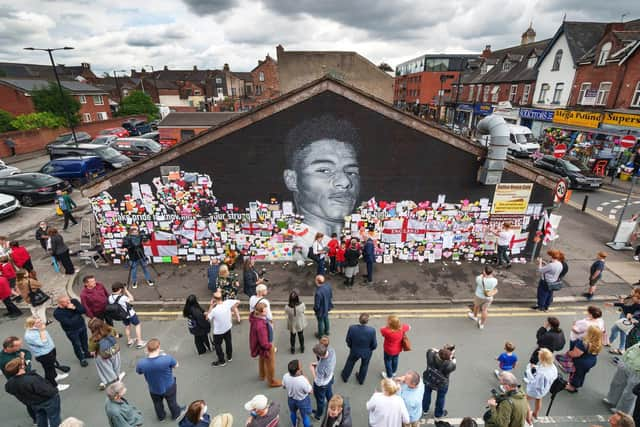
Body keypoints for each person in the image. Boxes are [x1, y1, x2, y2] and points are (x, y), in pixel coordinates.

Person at [283, 114, 360, 243]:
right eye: (324, 170)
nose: (345, 182)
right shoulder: (285, 247)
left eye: (351, 172)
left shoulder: (362, 241)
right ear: (292, 180)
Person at [135, 338, 185, 421]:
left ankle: (161, 417)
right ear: (158, 348)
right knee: (172, 401)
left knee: (157, 403)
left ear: (147, 349)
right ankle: (176, 414)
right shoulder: (167, 358)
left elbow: (139, 372)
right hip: (169, 386)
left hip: (154, 388)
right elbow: (176, 365)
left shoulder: (141, 363)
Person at [4, 357, 61, 427]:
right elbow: (46, 390)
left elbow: (9, 390)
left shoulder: (9, 383)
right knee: (54, 417)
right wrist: (55, 391)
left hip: (33, 403)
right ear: (21, 367)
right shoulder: (31, 379)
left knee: (41, 417)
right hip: (48, 401)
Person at [23, 316, 70, 391]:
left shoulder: (38, 328)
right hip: (44, 355)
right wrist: (42, 331)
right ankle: (54, 385)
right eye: (38, 322)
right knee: (48, 370)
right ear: (32, 325)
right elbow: (43, 343)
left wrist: (41, 329)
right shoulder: (29, 335)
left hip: (50, 350)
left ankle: (55, 376)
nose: (41, 323)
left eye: (40, 320)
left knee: (51, 366)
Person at [0, 337, 35, 423]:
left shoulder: (15, 351)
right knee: (29, 401)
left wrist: (26, 361)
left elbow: (27, 353)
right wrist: (24, 360)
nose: (20, 346)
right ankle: (36, 420)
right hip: (20, 383)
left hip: (27, 379)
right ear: (9, 347)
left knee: (34, 398)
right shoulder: (4, 360)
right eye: (18, 345)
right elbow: (23, 371)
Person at [249, 302, 281, 387]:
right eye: (266, 311)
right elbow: (264, 343)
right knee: (271, 365)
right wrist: (270, 346)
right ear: (261, 312)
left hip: (260, 346)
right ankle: (272, 381)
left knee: (262, 359)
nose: (267, 312)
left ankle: (262, 375)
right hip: (266, 346)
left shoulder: (256, 318)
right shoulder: (260, 326)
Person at [53, 295, 90, 367]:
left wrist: (74, 308)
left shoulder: (74, 302)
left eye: (69, 300)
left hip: (82, 326)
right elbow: (69, 323)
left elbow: (83, 310)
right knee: (77, 345)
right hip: (72, 331)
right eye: (66, 302)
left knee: (84, 341)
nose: (69, 302)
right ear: (60, 303)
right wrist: (77, 314)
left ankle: (86, 353)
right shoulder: (57, 313)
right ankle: (81, 359)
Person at [341, 312, 377, 384]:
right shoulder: (372, 330)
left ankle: (345, 377)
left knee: (350, 363)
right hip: (367, 351)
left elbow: (348, 340)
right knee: (364, 365)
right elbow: (374, 344)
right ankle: (361, 380)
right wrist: (370, 349)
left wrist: (351, 347)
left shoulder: (352, 328)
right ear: (367, 321)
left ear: (359, 319)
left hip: (355, 350)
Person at [604, 342, 640, 415]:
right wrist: (622, 360)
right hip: (627, 362)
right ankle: (611, 399)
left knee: (629, 393)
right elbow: (631, 348)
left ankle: (621, 411)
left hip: (637, 371)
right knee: (617, 383)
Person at [564, 325, 603, 393]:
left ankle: (572, 387)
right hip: (591, 361)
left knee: (576, 374)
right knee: (582, 374)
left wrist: (568, 353)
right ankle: (579, 383)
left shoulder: (583, 343)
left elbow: (576, 354)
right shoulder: (598, 343)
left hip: (581, 362)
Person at [206, 289, 239, 367]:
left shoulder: (214, 310)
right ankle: (229, 356)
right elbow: (238, 301)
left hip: (218, 332)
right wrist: (233, 310)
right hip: (228, 327)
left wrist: (211, 305)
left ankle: (222, 361)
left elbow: (207, 318)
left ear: (214, 299)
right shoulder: (227, 303)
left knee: (218, 345)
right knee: (228, 342)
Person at [89, 318, 124, 390]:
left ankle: (106, 381)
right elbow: (116, 336)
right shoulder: (110, 329)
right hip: (114, 351)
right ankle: (117, 378)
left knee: (105, 369)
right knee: (116, 365)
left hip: (102, 356)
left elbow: (92, 352)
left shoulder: (93, 339)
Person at [108, 282, 146, 349]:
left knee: (127, 326)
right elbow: (132, 299)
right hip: (130, 314)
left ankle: (129, 340)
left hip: (122, 315)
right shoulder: (123, 297)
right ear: (120, 289)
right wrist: (126, 291)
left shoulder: (110, 297)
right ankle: (139, 342)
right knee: (137, 325)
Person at [422, 346, 456, 419]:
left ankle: (425, 409)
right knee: (441, 397)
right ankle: (438, 414)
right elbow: (453, 362)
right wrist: (451, 355)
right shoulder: (450, 365)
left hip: (429, 378)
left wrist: (443, 351)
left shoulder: (430, 354)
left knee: (427, 393)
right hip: (441, 383)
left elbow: (431, 349)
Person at [524, 348, 558, 419]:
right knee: (539, 399)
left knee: (524, 399)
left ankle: (528, 414)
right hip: (545, 389)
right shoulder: (553, 367)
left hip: (536, 390)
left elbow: (535, 383)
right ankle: (535, 413)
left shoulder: (542, 374)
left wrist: (530, 373)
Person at [283, 359, 313, 427]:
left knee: (293, 412)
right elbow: (311, 391)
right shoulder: (303, 380)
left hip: (291, 399)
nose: (302, 367)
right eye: (300, 367)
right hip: (303, 401)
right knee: (305, 417)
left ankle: (294, 425)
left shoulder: (285, 376)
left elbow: (284, 387)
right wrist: (307, 380)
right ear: (297, 371)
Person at [311, 343, 336, 420]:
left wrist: (312, 370)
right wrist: (317, 363)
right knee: (329, 393)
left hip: (322, 385)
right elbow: (324, 360)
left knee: (320, 400)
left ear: (319, 355)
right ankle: (332, 405)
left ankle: (318, 414)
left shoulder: (321, 367)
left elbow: (318, 382)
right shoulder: (331, 350)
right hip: (330, 378)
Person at [284, 289, 307, 354]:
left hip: (292, 322)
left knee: (292, 336)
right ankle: (302, 348)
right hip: (299, 322)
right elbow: (303, 311)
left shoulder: (287, 307)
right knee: (301, 335)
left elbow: (286, 313)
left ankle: (293, 348)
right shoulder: (302, 305)